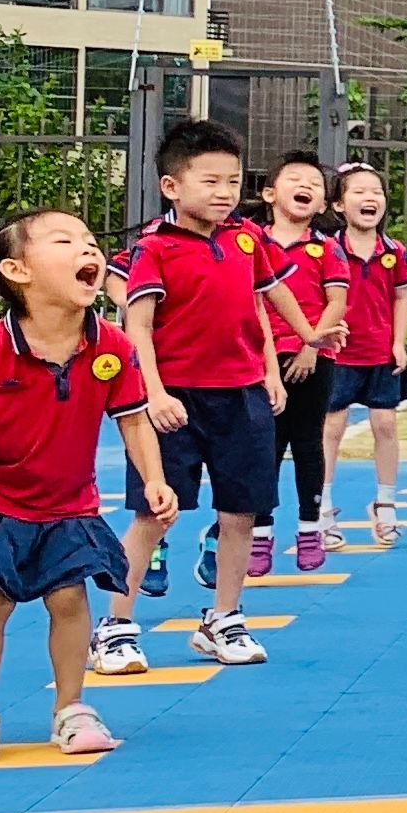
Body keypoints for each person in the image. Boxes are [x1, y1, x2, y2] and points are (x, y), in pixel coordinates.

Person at [0, 211, 176, 763]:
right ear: (18, 271)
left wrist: (155, 479)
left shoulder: (112, 347)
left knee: (69, 597)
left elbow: (133, 420)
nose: (87, 249)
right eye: (65, 241)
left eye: (88, 241)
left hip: (68, 501)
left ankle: (72, 708)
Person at [104, 119, 286, 673]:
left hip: (241, 395)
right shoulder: (153, 248)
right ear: (171, 186)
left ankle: (224, 617)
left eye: (233, 181)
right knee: (154, 513)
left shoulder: (246, 240)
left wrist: (271, 371)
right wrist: (153, 394)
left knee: (241, 512)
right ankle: (115, 627)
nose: (225, 192)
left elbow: (260, 308)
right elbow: (138, 328)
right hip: (175, 398)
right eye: (210, 181)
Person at [254, 153, 348, 574]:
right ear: (270, 193)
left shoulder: (326, 248)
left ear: (323, 204)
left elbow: (338, 301)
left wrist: (312, 345)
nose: (305, 185)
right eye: (295, 178)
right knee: (265, 447)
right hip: (261, 361)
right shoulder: (252, 243)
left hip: (315, 358)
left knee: (308, 443)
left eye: (314, 182)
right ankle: (260, 534)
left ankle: (310, 527)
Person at [322, 164, 407, 548]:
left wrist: (398, 343)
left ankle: (386, 504)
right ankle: (322, 510)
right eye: (359, 191)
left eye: (376, 191)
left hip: (380, 354)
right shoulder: (327, 250)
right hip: (340, 355)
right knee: (330, 430)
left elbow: (401, 299)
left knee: (386, 426)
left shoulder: (394, 253)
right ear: (339, 205)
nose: (369, 198)